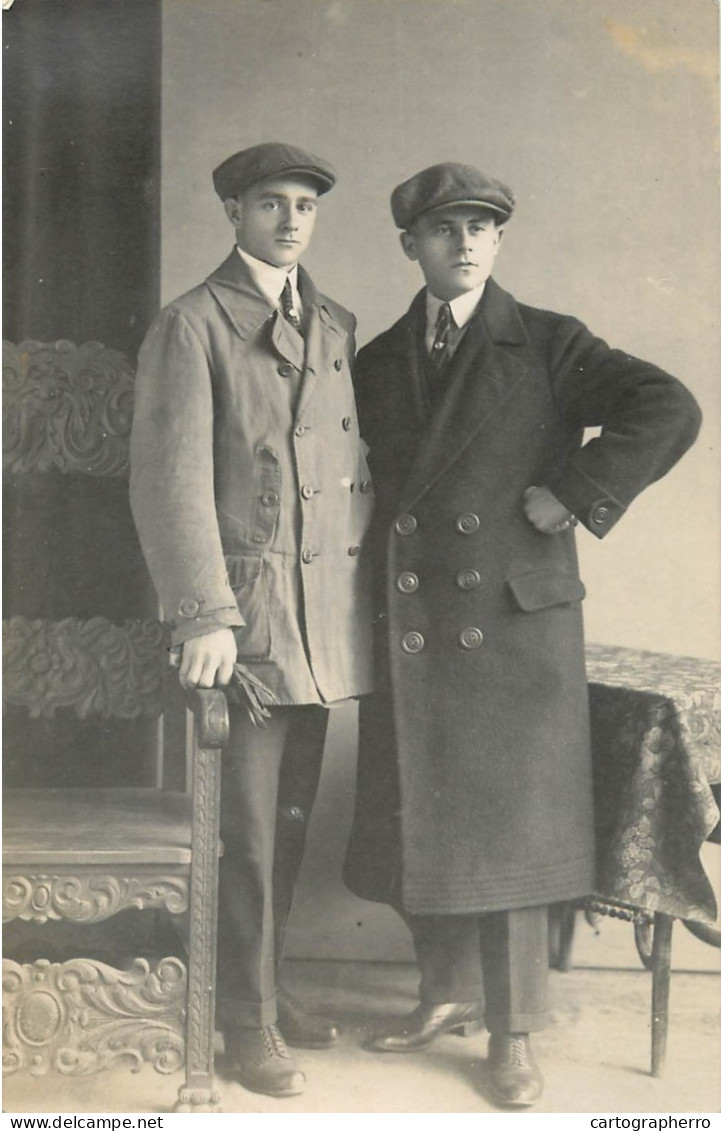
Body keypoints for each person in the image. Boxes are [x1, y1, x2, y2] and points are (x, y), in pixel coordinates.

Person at [343, 162, 702, 1107]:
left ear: (498, 241)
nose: (465, 242)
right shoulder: (377, 358)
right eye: (445, 229)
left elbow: (669, 405)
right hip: (415, 619)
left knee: (507, 835)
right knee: (422, 814)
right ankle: (443, 992)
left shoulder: (544, 342)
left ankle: (512, 1035)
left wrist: (577, 492)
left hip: (509, 624)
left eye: (482, 227)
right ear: (410, 245)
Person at [129, 142, 374, 1098]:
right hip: (241, 624)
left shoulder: (335, 324)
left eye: (304, 205)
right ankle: (242, 1023)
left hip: (317, 624)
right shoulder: (191, 326)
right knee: (244, 831)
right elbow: (170, 483)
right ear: (232, 211)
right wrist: (202, 614)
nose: (289, 220)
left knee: (291, 817)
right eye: (269, 203)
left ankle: (264, 989)